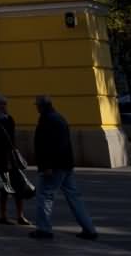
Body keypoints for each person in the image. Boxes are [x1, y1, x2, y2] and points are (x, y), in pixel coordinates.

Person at [28, 95, 97, 241]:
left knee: (45, 196)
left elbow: (48, 146)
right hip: (66, 165)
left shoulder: (47, 120)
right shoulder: (59, 118)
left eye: (37, 105)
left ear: (41, 106)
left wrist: (47, 166)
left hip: (55, 167)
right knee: (74, 197)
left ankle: (44, 229)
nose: (36, 108)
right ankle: (89, 229)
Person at [0, 93, 30, 226]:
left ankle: (20, 216)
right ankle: (3, 216)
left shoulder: (10, 119)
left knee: (19, 186)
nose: (4, 106)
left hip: (11, 159)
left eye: (5, 104)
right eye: (1, 104)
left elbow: (12, 139)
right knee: (5, 188)